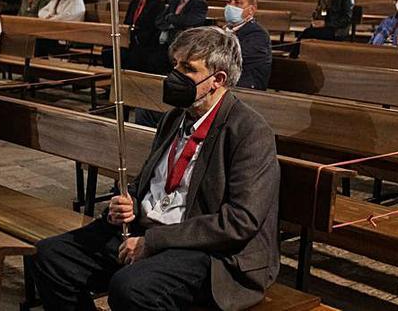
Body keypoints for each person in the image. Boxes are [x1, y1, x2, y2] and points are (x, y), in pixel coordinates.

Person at [33, 26, 280, 311]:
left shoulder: (248, 130)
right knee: (51, 256)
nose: (174, 75)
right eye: (174, 64)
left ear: (218, 79)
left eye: (187, 68)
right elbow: (149, 180)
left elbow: (239, 221)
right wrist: (129, 201)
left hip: (208, 251)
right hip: (149, 228)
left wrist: (153, 241)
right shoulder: (174, 118)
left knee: (130, 288)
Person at [155, 0, 208, 72]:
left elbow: (189, 21)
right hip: (168, 44)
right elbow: (159, 20)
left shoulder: (200, 3)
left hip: (187, 46)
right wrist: (173, 23)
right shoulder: (174, 1)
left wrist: (170, 18)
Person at [225, 0, 272, 90]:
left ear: (251, 10)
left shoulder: (258, 34)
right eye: (229, 1)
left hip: (247, 85)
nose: (230, 6)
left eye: (237, 3)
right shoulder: (226, 29)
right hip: (228, 80)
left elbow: (237, 59)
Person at [124, 0, 164, 72]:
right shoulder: (134, 3)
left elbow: (154, 26)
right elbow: (127, 21)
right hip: (132, 40)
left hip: (147, 43)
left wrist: (139, 36)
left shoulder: (157, 4)